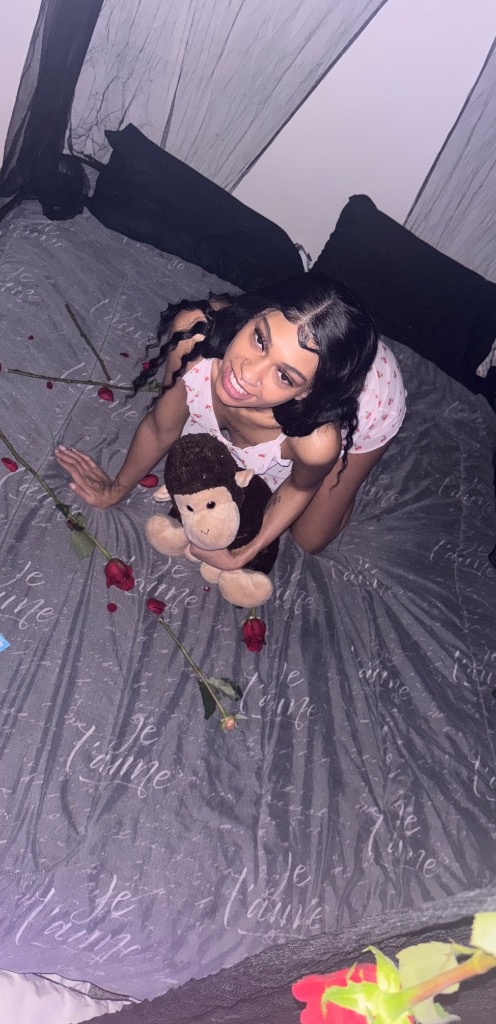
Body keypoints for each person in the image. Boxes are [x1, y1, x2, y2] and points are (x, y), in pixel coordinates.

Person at [55, 273, 406, 567]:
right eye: (260, 339)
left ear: (305, 394)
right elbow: (161, 428)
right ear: (255, 313)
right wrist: (114, 490)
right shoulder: (195, 335)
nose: (246, 374)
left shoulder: (316, 440)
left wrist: (242, 554)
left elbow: (300, 488)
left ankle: (343, 479)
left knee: (309, 539)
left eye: (284, 376)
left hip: (368, 401)